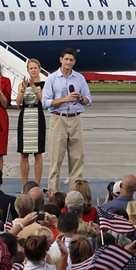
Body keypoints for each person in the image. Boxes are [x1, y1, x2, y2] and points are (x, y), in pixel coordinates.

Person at [42, 47, 91, 192]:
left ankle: (75, 195)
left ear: (74, 62)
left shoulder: (79, 78)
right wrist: (65, 99)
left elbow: (89, 100)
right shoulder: (52, 78)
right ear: (61, 60)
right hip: (59, 118)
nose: (68, 62)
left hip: (75, 118)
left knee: (77, 158)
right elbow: (46, 102)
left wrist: (80, 98)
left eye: (71, 60)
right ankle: (53, 195)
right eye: (66, 59)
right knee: (55, 159)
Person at [17, 58, 46, 186]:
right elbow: (18, 102)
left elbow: (42, 99)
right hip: (25, 117)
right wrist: (23, 89)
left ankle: (37, 184)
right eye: (31, 68)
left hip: (37, 116)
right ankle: (25, 185)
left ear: (39, 69)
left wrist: (33, 86)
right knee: (24, 153)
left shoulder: (45, 84)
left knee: (38, 153)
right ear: (27, 70)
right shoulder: (21, 84)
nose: (33, 70)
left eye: (35, 68)